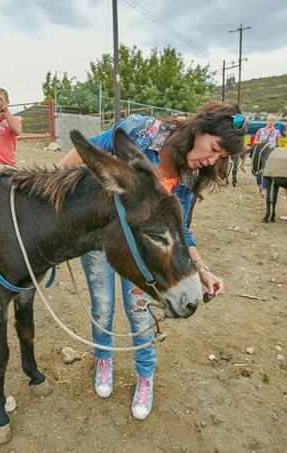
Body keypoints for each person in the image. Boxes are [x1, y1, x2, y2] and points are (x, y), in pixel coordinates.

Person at [58, 101, 246, 420]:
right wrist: (62, 202)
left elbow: (181, 230)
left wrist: (202, 271)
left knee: (140, 315)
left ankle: (145, 376)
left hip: (145, 255)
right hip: (102, 241)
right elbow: (83, 153)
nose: (212, 160)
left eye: (222, 157)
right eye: (214, 148)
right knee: (102, 305)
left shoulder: (190, 176)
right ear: (199, 130)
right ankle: (104, 358)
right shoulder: (141, 131)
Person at [253, 114, 282, 196]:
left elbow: (278, 144)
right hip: (260, 152)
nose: (271, 122)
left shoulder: (277, 132)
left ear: (275, 122)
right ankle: (260, 187)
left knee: (265, 169)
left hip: (270, 153)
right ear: (266, 121)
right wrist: (260, 142)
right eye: (269, 120)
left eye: (273, 121)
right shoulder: (260, 130)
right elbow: (255, 141)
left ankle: (264, 188)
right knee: (258, 170)